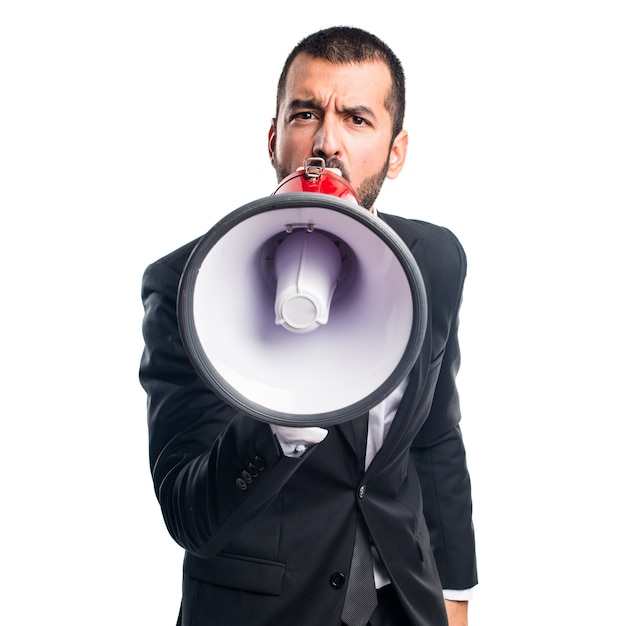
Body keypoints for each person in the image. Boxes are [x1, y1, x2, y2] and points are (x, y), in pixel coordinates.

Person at [140, 26, 478, 626]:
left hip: (406, 604)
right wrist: (283, 420)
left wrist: (454, 593)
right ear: (274, 139)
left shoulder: (435, 259)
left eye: (356, 118)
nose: (327, 143)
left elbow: (433, 439)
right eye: (304, 115)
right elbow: (190, 514)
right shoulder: (187, 285)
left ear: (396, 152)